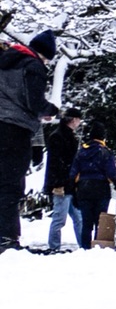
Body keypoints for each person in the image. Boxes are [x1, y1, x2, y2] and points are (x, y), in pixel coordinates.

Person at [0, 31, 60, 249]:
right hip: (14, 131)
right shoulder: (33, 66)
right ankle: (6, 239)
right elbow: (34, 101)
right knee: (10, 186)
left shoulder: (5, 60)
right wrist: (50, 110)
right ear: (44, 55)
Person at [69, 124, 116, 250]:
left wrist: (73, 191)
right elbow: (111, 173)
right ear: (102, 137)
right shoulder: (106, 152)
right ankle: (97, 246)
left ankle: (85, 247)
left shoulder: (81, 152)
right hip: (101, 189)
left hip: (84, 190)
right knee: (99, 222)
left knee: (86, 222)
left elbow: (73, 173)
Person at [41, 108, 81, 251]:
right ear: (74, 119)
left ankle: (82, 246)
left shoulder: (60, 136)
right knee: (61, 218)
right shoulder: (61, 137)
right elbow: (57, 163)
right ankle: (54, 247)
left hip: (67, 183)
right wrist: (59, 183)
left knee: (75, 217)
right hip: (63, 184)